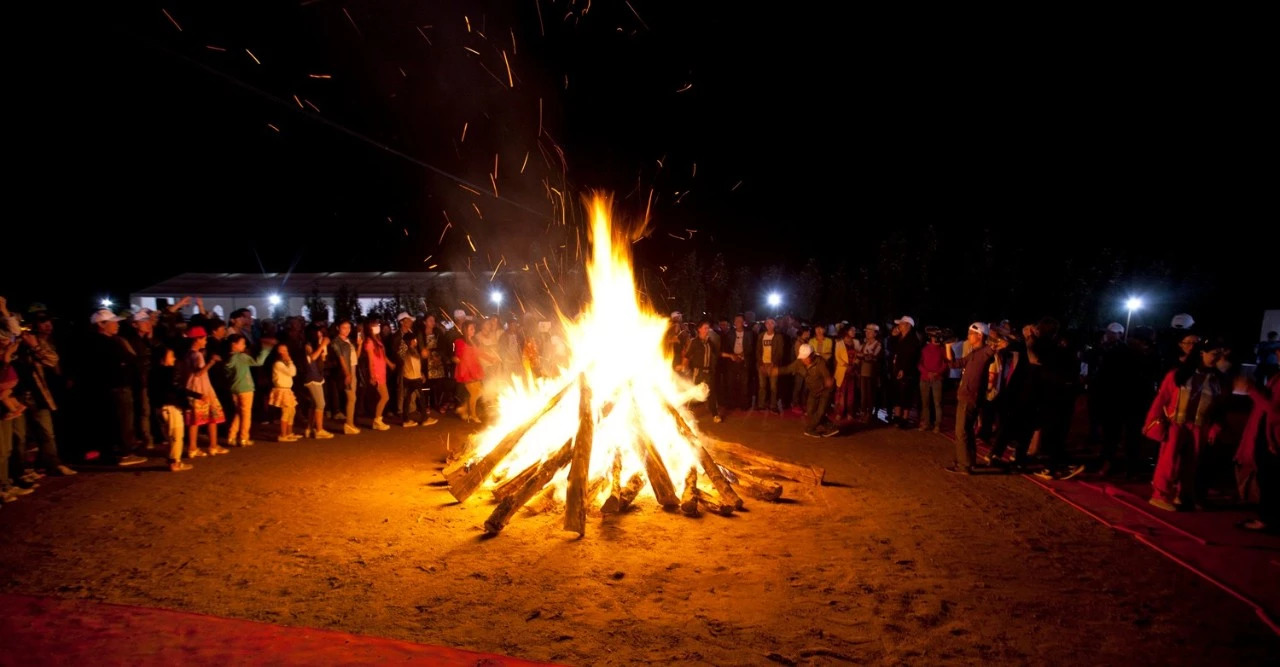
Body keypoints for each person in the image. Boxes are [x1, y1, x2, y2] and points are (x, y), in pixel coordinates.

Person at [1146, 339, 1229, 511]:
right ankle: (1160, 495)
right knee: (1169, 461)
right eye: (1214, 353)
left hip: (1200, 426)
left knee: (1192, 463)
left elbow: (1221, 406)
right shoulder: (1178, 374)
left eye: (1220, 354)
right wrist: (1153, 422)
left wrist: (1216, 427)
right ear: (1202, 353)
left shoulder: (1217, 380)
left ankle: (1182, 494)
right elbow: (1161, 399)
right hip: (1176, 423)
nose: (1218, 358)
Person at [1233, 372, 1279, 532]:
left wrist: (1252, 390)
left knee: (1269, 480)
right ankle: (1267, 517)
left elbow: (1274, 411)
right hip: (1268, 436)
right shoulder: (1276, 377)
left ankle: (1268, 519)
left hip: (1273, 439)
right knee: (1266, 478)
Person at [777, 343, 837, 438]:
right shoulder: (799, 363)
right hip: (813, 391)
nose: (804, 360)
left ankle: (810, 429)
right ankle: (831, 426)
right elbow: (788, 369)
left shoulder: (820, 362)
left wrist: (828, 380)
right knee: (810, 411)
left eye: (806, 357)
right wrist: (775, 371)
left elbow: (826, 374)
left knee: (820, 412)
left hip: (825, 391)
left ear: (812, 355)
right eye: (803, 357)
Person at [679, 320, 721, 423]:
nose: (707, 330)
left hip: (709, 371)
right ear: (699, 329)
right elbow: (687, 356)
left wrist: (730, 356)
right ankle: (687, 411)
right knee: (694, 391)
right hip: (698, 372)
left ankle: (715, 415)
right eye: (705, 328)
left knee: (711, 393)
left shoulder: (709, 342)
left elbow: (718, 353)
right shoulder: (694, 342)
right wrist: (683, 366)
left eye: (708, 328)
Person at [268, 344, 301, 442]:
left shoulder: (285, 363)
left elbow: (293, 372)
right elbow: (291, 373)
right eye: (282, 350)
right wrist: (290, 361)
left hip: (287, 389)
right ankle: (283, 434)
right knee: (286, 411)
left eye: (286, 350)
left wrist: (290, 362)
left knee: (292, 411)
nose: (285, 352)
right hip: (282, 389)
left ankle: (289, 432)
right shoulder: (278, 364)